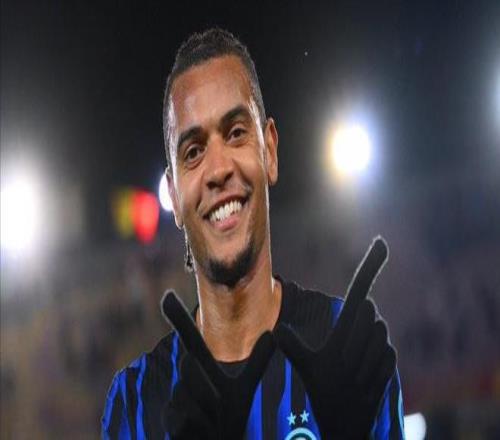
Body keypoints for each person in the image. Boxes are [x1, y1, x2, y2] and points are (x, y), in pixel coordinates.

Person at [102, 28, 404, 439]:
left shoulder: (349, 349)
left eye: (235, 133)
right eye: (193, 151)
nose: (218, 169)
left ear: (270, 151)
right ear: (173, 194)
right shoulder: (135, 400)